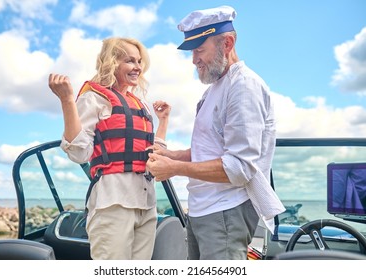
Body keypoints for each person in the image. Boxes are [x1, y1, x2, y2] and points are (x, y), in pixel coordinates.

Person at [146, 6, 285, 260]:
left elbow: (240, 167)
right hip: (203, 210)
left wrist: (173, 169)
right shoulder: (213, 91)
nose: (194, 59)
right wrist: (172, 156)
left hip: (225, 213)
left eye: (200, 50)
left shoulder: (243, 86)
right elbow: (209, 150)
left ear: (227, 43)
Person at [48, 37, 171, 260]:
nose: (138, 67)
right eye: (130, 61)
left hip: (147, 205)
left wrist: (163, 122)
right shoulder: (94, 98)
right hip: (113, 204)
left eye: (139, 61)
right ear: (112, 63)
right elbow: (79, 152)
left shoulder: (140, 104)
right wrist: (67, 100)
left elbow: (154, 154)